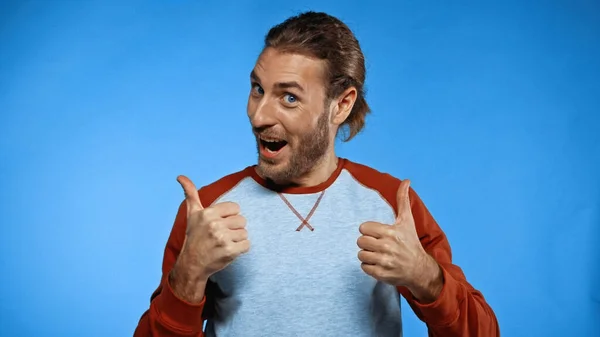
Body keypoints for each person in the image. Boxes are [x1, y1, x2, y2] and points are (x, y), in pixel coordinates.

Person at [133, 11, 499, 337]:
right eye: (257, 89)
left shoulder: (391, 205)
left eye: (289, 97)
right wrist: (187, 277)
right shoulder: (208, 210)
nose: (259, 116)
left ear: (340, 105)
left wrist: (427, 278)